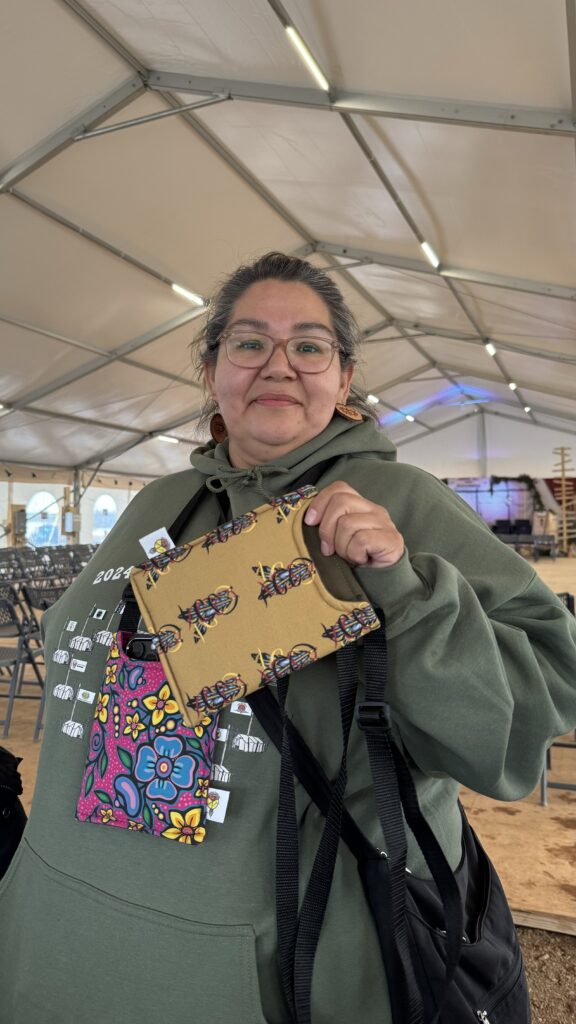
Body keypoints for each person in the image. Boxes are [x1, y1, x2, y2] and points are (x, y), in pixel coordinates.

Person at [1, 252, 575, 1024]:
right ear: (212, 370)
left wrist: (406, 590)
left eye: (309, 346)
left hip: (269, 965)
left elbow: (532, 702)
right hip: (61, 940)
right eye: (248, 343)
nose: (279, 364)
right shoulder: (157, 505)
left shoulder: (403, 500)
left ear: (343, 380)